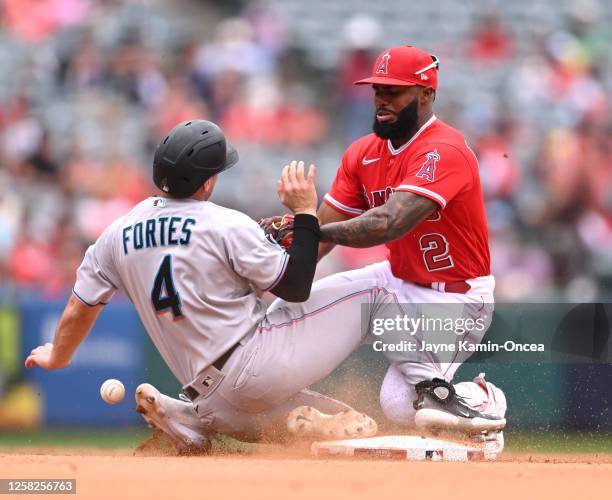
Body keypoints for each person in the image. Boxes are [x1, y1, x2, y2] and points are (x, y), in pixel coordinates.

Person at [24, 120, 402, 451]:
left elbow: (79, 309)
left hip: (213, 400)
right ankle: (431, 389)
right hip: (257, 368)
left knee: (355, 426)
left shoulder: (114, 235)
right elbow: (296, 287)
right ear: (207, 181)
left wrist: (59, 355)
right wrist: (305, 213)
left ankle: (188, 419)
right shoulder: (223, 223)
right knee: (377, 288)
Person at [310, 44, 507, 444]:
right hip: (396, 280)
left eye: (394, 90)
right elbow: (320, 234)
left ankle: (480, 399)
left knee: (399, 405)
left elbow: (389, 223)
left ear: (426, 93)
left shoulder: (444, 149)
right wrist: (276, 260)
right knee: (304, 302)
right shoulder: (362, 152)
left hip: (455, 298)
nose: (381, 98)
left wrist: (308, 230)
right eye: (377, 89)